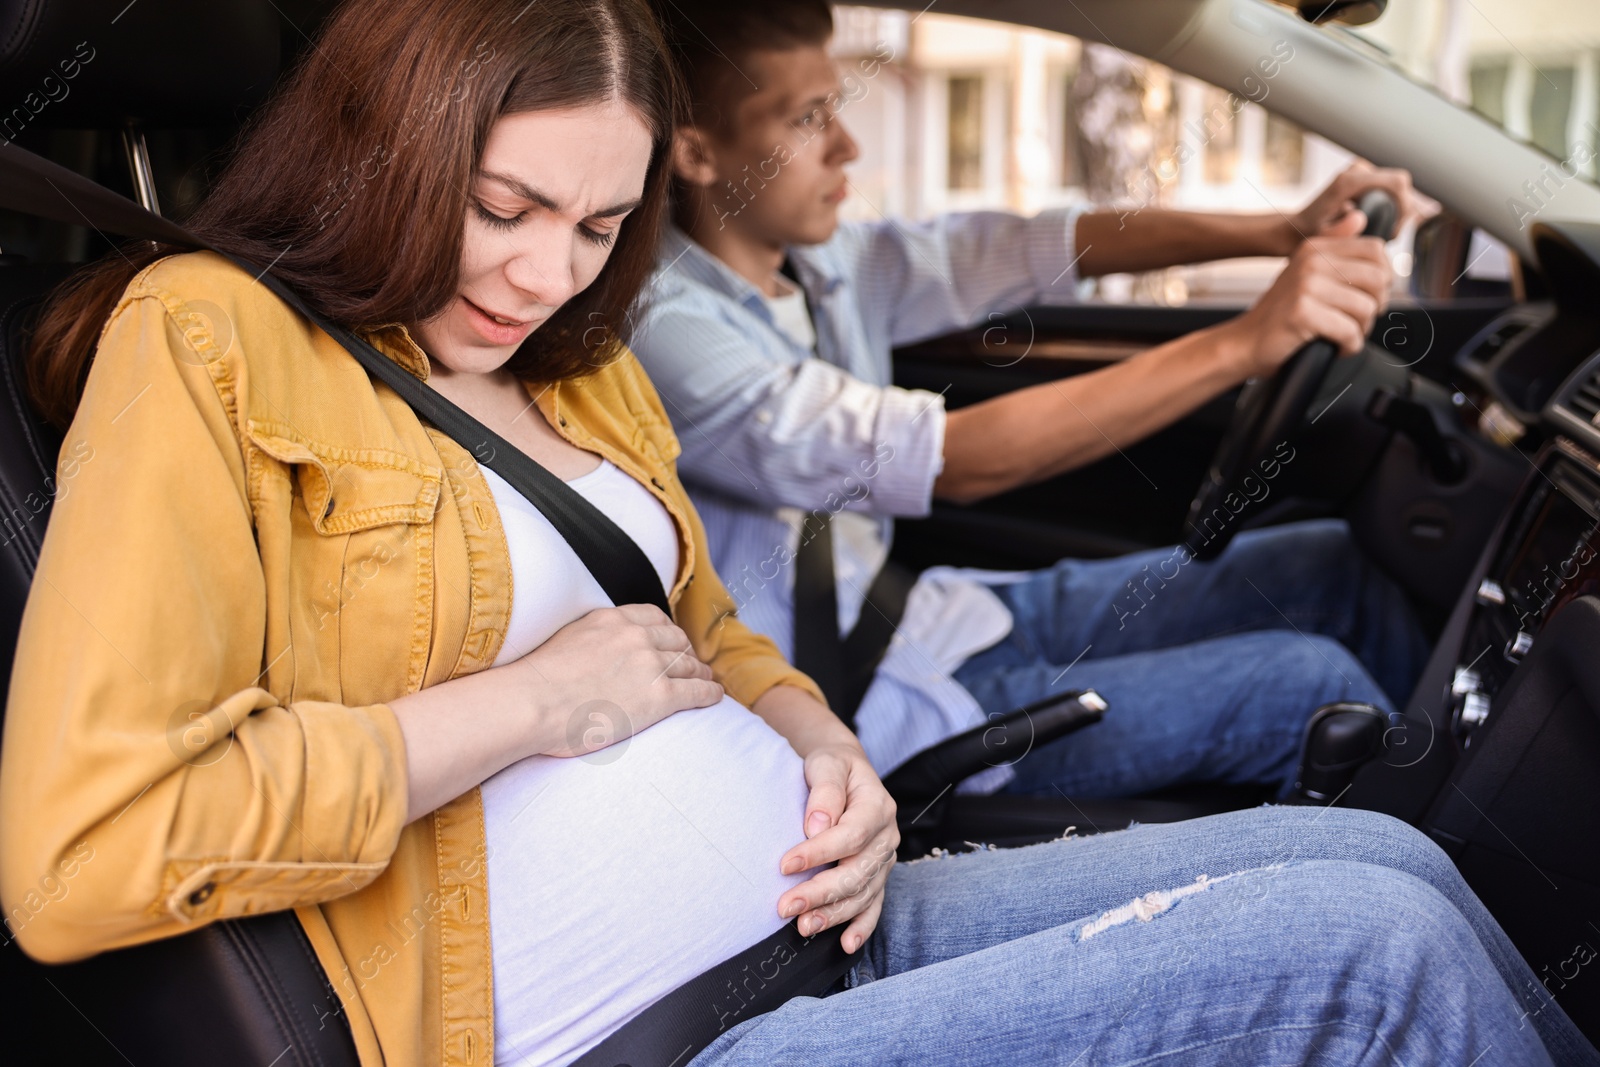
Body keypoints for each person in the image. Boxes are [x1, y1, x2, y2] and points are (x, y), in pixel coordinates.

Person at [0, 2, 1593, 1065]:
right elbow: (84, 852)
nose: (548, 271)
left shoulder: (577, 362)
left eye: (601, 226)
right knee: (1377, 949)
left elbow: (713, 631)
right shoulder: (207, 340)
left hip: (832, 913)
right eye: (504, 205)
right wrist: (526, 706)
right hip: (655, 1027)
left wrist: (818, 741)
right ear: (385, 141)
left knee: (1385, 854)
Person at [632, 0, 1432, 800]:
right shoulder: (666, 333)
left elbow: (1032, 245)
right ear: (698, 153)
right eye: (807, 119)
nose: (848, 144)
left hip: (922, 618)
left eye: (837, 106)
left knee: (1328, 566)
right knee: (1309, 685)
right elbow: (956, 459)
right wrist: (1245, 342)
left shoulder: (821, 264)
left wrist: (1276, 233)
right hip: (852, 709)